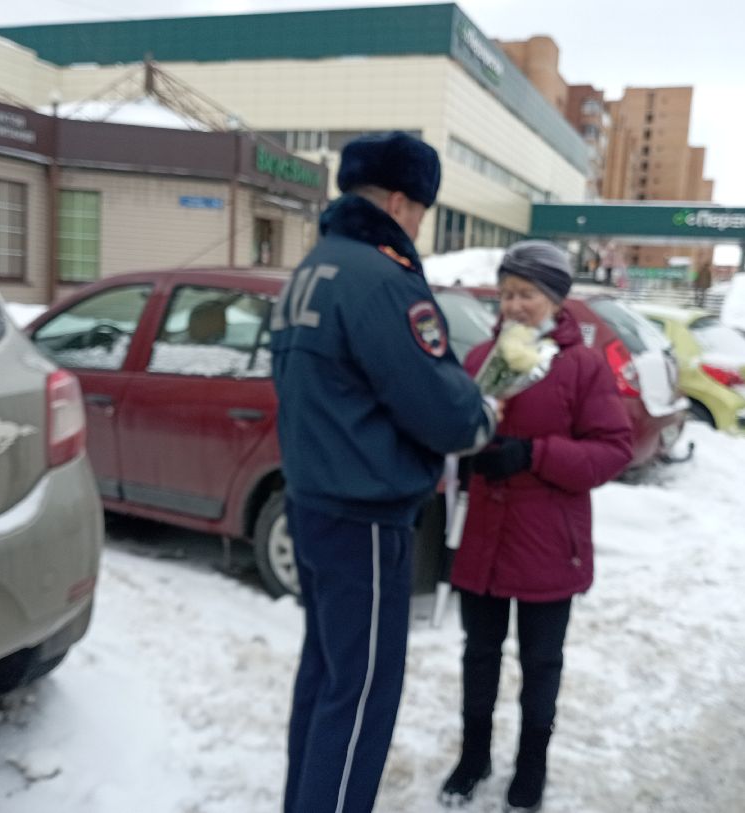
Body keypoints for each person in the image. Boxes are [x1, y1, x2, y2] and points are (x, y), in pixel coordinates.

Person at [271, 130, 498, 813]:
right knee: (363, 693)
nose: (421, 225)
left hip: (312, 500)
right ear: (401, 201)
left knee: (326, 678)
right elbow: (440, 405)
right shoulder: (383, 279)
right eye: (423, 211)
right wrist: (482, 413)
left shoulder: (312, 267)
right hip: (365, 514)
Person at [439, 241, 634, 812]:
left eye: (525, 294)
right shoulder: (480, 359)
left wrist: (533, 455)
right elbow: (454, 425)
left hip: (549, 542)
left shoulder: (583, 366)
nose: (513, 306)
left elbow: (612, 450)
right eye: (505, 294)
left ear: (554, 299)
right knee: (479, 653)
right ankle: (474, 757)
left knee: (541, 663)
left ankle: (532, 769)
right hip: (483, 538)